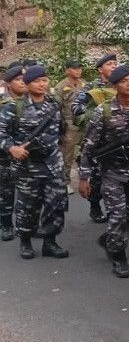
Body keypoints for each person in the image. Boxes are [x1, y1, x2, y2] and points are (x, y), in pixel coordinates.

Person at [79, 65, 129, 278]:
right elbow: (88, 147)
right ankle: (118, 256)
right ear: (114, 86)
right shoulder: (102, 111)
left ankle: (109, 239)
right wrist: (84, 177)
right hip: (112, 171)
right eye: (124, 81)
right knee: (118, 215)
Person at [0, 65, 69, 260]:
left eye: (45, 80)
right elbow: (1, 134)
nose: (42, 84)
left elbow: (61, 130)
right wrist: (12, 148)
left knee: (56, 204)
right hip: (28, 166)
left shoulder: (54, 105)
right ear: (27, 84)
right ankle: (26, 241)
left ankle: (50, 242)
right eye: (37, 81)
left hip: (53, 163)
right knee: (28, 206)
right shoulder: (14, 107)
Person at [72, 53, 118, 224]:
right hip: (97, 139)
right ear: (100, 69)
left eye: (115, 64)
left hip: (117, 139)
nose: (114, 66)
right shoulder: (90, 88)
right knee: (97, 177)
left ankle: (118, 211)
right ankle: (95, 206)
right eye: (109, 64)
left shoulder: (119, 85)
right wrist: (98, 113)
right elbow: (76, 108)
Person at [0, 65, 28, 242]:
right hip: (5, 156)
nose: (22, 82)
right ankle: (6, 224)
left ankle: (25, 225)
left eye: (24, 79)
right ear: (8, 84)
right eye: (18, 79)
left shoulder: (32, 100)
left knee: (28, 193)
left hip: (27, 155)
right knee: (6, 193)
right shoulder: (3, 104)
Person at [53, 60, 86, 195]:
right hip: (69, 125)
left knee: (86, 153)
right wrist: (60, 130)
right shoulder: (61, 87)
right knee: (67, 156)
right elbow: (56, 109)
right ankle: (65, 182)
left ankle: (85, 179)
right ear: (67, 70)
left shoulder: (84, 84)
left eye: (80, 68)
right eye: (74, 68)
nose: (78, 71)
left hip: (83, 124)